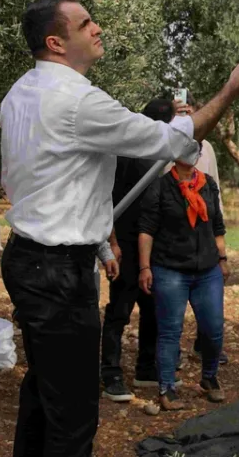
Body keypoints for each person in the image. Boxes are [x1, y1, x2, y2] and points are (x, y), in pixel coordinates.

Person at [0, 0, 239, 457]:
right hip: (55, 273)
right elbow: (175, 142)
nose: (97, 28)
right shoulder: (77, 100)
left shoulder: (20, 93)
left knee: (44, 394)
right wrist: (229, 93)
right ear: (56, 42)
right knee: (73, 415)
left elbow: (39, 181)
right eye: (85, 23)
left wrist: (98, 240)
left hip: (30, 260)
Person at [138, 141, 230, 411]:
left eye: (196, 150)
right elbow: (146, 231)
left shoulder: (208, 185)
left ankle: (209, 377)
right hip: (170, 270)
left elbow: (218, 225)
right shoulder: (159, 187)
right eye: (186, 149)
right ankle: (166, 388)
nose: (192, 154)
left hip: (208, 270)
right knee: (170, 331)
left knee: (213, 330)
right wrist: (145, 267)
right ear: (174, 154)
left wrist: (222, 259)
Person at [99, 98, 176, 402]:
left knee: (152, 308)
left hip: (152, 246)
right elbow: (110, 202)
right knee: (119, 309)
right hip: (127, 244)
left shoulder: (160, 153)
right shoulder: (126, 154)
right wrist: (113, 243)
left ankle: (146, 368)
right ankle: (110, 373)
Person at [177, 90, 231, 366]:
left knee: (209, 292)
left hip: (205, 230)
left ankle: (206, 344)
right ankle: (171, 351)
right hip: (175, 231)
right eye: (183, 113)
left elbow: (215, 188)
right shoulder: (167, 143)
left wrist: (219, 234)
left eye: (192, 112)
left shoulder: (207, 147)